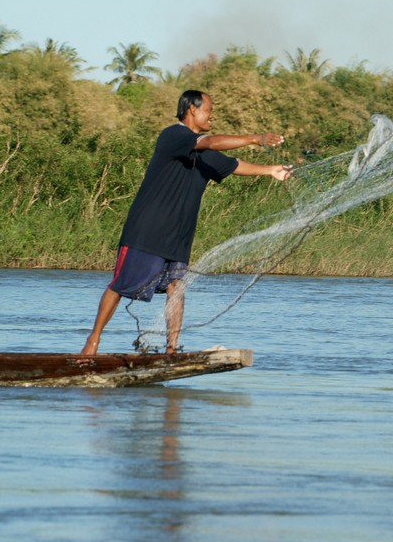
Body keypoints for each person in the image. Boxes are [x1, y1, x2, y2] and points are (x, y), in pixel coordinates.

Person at [81, 89, 292, 355]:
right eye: (209, 111)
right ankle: (92, 342)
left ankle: (171, 350)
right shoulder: (174, 136)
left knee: (176, 288)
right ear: (192, 109)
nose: (212, 116)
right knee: (120, 284)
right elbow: (211, 142)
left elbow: (233, 164)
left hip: (179, 235)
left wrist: (271, 171)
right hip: (147, 230)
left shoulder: (204, 152)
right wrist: (255, 138)